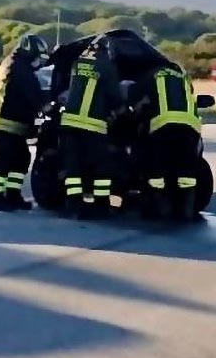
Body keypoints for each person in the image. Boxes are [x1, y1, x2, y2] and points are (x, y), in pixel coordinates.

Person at [59, 35, 123, 218]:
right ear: (107, 50)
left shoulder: (78, 63)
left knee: (73, 166)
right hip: (93, 125)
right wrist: (121, 111)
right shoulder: (106, 66)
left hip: (70, 123)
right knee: (101, 166)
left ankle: (73, 205)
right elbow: (115, 96)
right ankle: (101, 205)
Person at [0, 34, 49, 212]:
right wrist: (47, 106)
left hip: (11, 121)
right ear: (31, 52)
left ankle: (13, 196)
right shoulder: (19, 68)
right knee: (4, 161)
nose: (39, 61)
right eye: (39, 56)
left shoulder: (13, 63)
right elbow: (33, 94)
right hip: (9, 121)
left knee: (20, 159)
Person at [134, 63, 202, 220]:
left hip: (164, 126)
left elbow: (135, 97)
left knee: (158, 167)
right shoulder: (183, 77)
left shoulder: (152, 75)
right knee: (187, 170)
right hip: (190, 127)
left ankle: (160, 208)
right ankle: (186, 210)